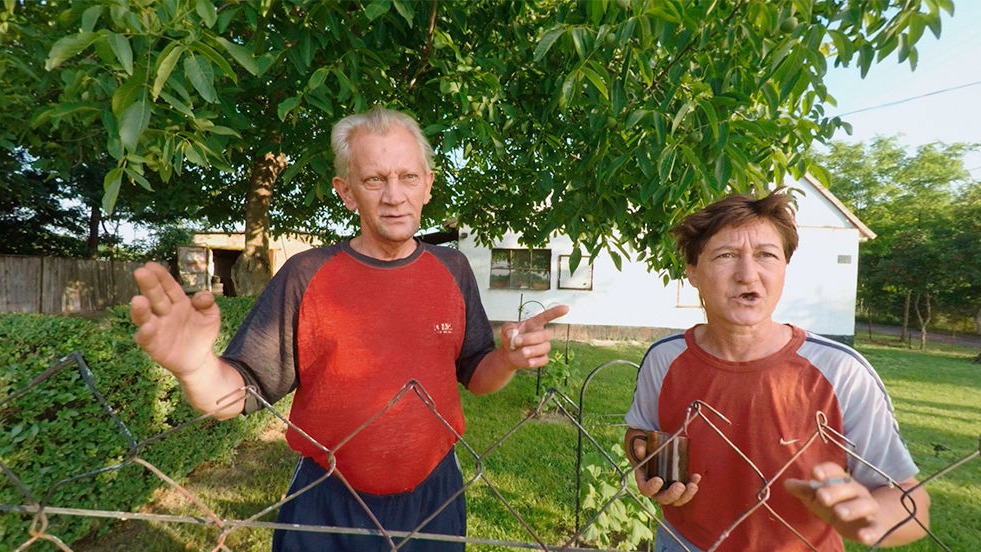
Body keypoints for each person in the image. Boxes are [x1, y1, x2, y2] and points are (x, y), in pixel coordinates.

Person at [130, 106, 569, 551]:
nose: (394, 195)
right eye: (375, 179)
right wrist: (194, 367)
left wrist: (507, 359)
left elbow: (477, 374)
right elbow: (241, 390)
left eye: (408, 177)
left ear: (428, 184)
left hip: (436, 493)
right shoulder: (307, 274)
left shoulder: (452, 268)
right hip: (327, 496)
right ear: (346, 192)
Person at [624, 189, 930, 551]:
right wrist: (645, 462)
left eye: (766, 255)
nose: (747, 274)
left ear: (785, 267)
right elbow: (640, 435)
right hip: (681, 543)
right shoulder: (664, 357)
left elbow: (911, 506)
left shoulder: (840, 370)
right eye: (726, 255)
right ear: (692, 270)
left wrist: (869, 516)